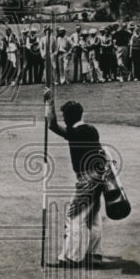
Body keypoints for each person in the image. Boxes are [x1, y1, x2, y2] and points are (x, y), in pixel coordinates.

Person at [43, 88, 107, 268]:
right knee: (93, 217)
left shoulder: (75, 133)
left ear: (70, 118)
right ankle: (95, 254)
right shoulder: (91, 130)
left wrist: (49, 102)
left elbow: (52, 125)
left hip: (86, 180)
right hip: (99, 179)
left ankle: (71, 257)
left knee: (74, 217)